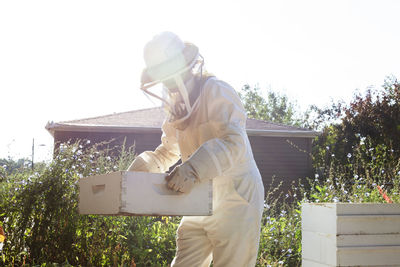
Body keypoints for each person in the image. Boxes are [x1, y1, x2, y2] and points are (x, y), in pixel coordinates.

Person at [128, 31, 265, 267]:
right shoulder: (176, 109)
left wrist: (192, 169)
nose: (167, 84)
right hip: (199, 198)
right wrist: (144, 167)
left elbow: (235, 143)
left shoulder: (217, 91)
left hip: (236, 195)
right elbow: (168, 150)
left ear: (184, 67)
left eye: (168, 76)